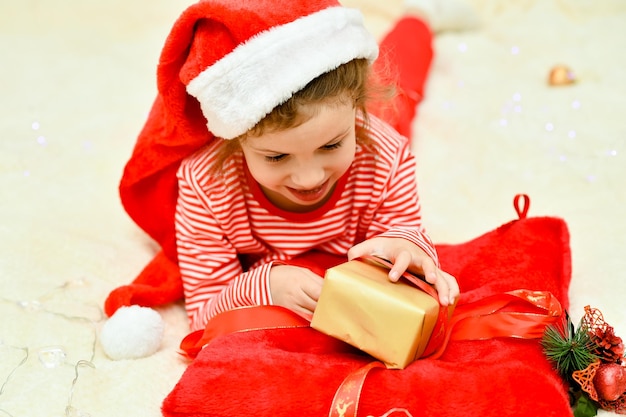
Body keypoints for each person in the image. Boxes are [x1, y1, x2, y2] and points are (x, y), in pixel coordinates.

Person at [107, 0, 463, 331]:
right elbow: (204, 313)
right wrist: (266, 285)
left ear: (355, 108)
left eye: (331, 145)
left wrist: (405, 247)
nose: (310, 178)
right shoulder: (207, 186)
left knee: (401, 89)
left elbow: (405, 232)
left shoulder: (384, 154)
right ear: (236, 139)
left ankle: (418, 15)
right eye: (276, 157)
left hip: (375, 129)